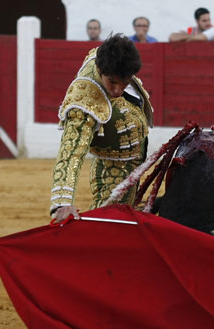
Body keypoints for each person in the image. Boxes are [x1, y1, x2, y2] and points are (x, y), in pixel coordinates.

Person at [50, 34, 153, 222]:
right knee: (108, 225)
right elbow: (71, 151)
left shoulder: (110, 59)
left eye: (125, 82)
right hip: (115, 170)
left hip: (131, 162)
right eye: (112, 82)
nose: (117, 90)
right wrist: (62, 201)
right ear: (99, 69)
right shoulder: (85, 99)